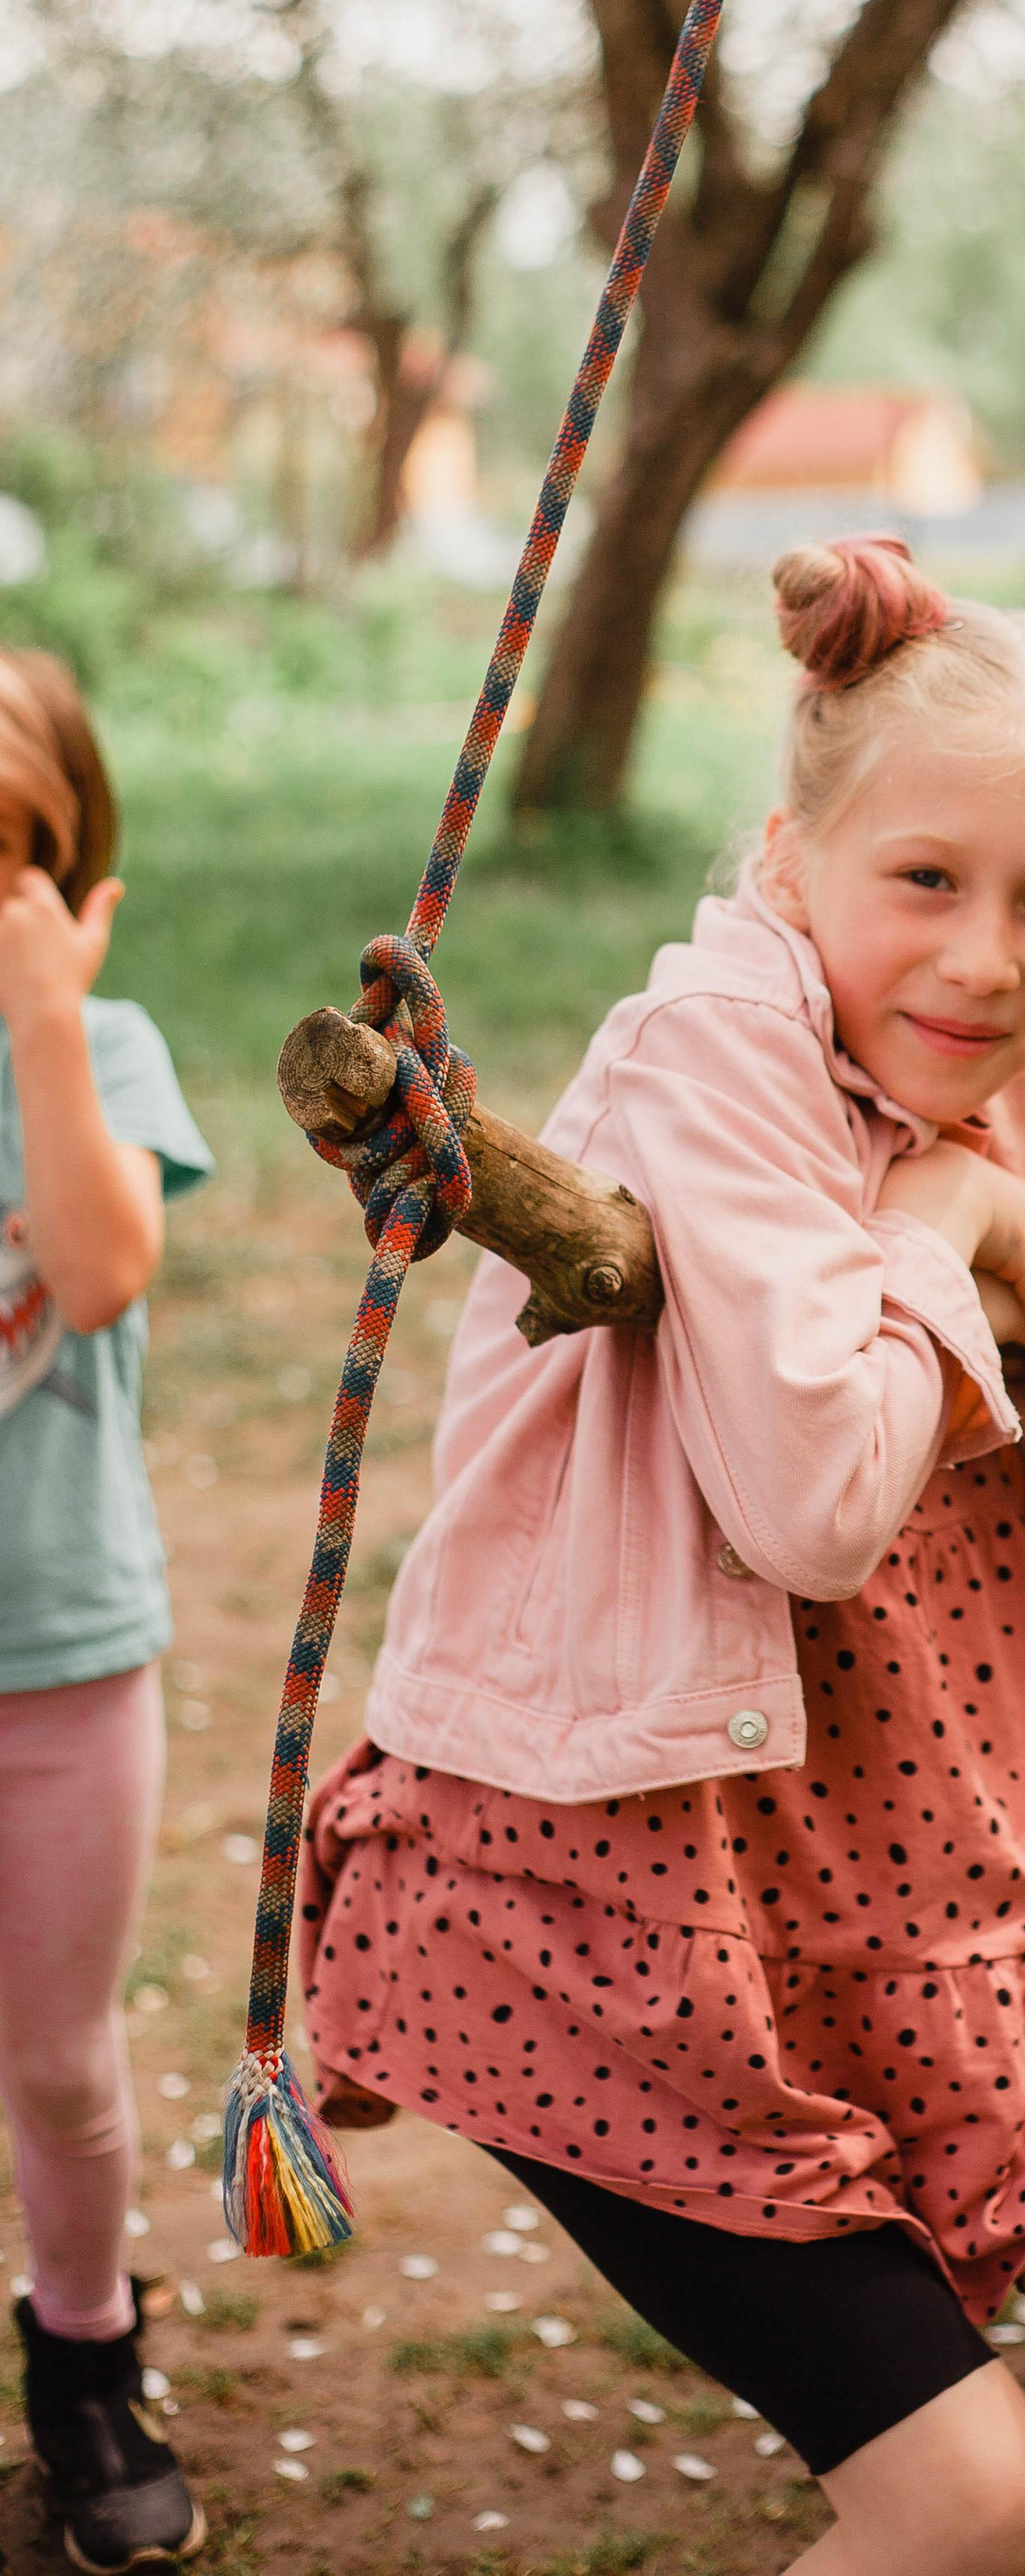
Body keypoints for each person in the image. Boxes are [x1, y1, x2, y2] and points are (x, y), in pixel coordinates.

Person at [297, 539, 1025, 2576]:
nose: (981, 958)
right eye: (924, 880)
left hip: (915, 1891)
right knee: (959, 2495)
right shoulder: (713, 1057)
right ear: (793, 859)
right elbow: (812, 1499)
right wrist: (940, 1234)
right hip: (622, 1908)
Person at [0, 648, 213, 2572]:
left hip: (60, 1661)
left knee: (58, 2061)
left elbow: (97, 1265)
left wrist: (47, 1032)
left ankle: (84, 2359)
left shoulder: (108, 1049)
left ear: (73, 882)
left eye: (5, 861)